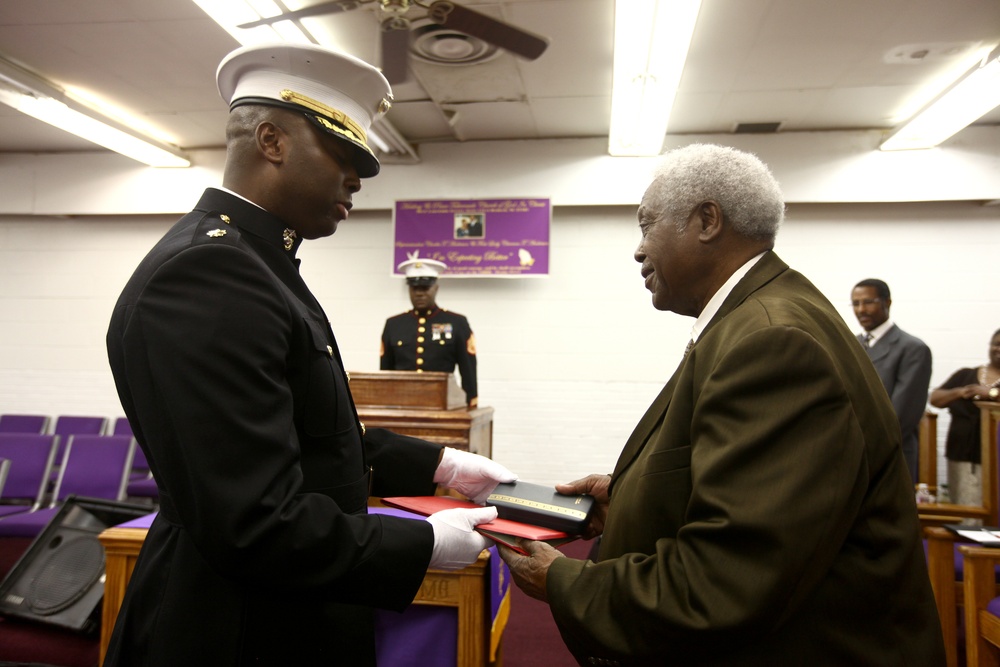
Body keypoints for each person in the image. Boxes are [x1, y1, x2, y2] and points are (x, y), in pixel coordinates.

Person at [104, 43, 515, 666]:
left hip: (283, 608)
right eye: (343, 154)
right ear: (271, 141)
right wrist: (419, 544)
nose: (357, 176)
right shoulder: (211, 272)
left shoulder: (257, 263)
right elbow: (252, 520)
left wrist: (438, 465)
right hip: (237, 628)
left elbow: (304, 432)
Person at [498, 144, 945, 665]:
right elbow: (746, 491)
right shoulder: (756, 316)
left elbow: (729, 579)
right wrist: (631, 498)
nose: (638, 251)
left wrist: (563, 579)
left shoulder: (773, 341)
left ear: (707, 220)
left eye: (646, 227)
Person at [851, 278, 933, 483]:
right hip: (851, 455)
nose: (861, 309)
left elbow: (901, 417)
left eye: (869, 302)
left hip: (890, 456)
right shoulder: (850, 344)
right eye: (856, 303)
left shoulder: (912, 348)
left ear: (887, 303)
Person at [381, 254, 478, 406]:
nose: (419, 293)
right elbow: (385, 372)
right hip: (402, 402)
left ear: (436, 288)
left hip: (442, 402)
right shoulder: (394, 324)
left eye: (425, 288)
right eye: (414, 288)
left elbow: (468, 370)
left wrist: (471, 404)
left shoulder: (457, 323)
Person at [929, 328, 1000, 506]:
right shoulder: (965, 375)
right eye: (996, 344)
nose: (999, 349)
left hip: (996, 460)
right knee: (964, 512)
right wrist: (960, 391)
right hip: (963, 457)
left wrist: (991, 393)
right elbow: (935, 399)